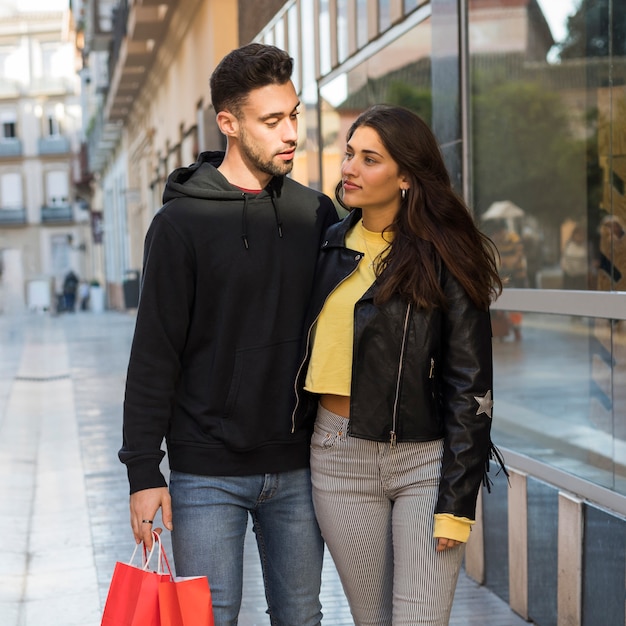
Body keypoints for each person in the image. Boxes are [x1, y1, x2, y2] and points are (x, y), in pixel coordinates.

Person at [119, 43, 337, 625]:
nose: (291, 132)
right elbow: (153, 355)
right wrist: (144, 473)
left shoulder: (315, 214)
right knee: (208, 619)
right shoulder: (180, 225)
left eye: (294, 114)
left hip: (297, 466)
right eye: (273, 121)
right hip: (204, 474)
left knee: (301, 616)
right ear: (229, 123)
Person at [294, 104, 505, 625]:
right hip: (338, 456)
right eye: (349, 154)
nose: (349, 168)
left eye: (370, 159)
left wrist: (458, 500)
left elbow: (470, 384)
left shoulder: (445, 255)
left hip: (424, 464)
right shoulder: (325, 249)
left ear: (406, 176)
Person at [560, 224, 588, 290]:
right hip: (569, 276)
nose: (579, 237)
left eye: (581, 235)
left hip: (581, 277)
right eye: (577, 234)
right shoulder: (569, 245)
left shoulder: (585, 247)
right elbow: (564, 259)